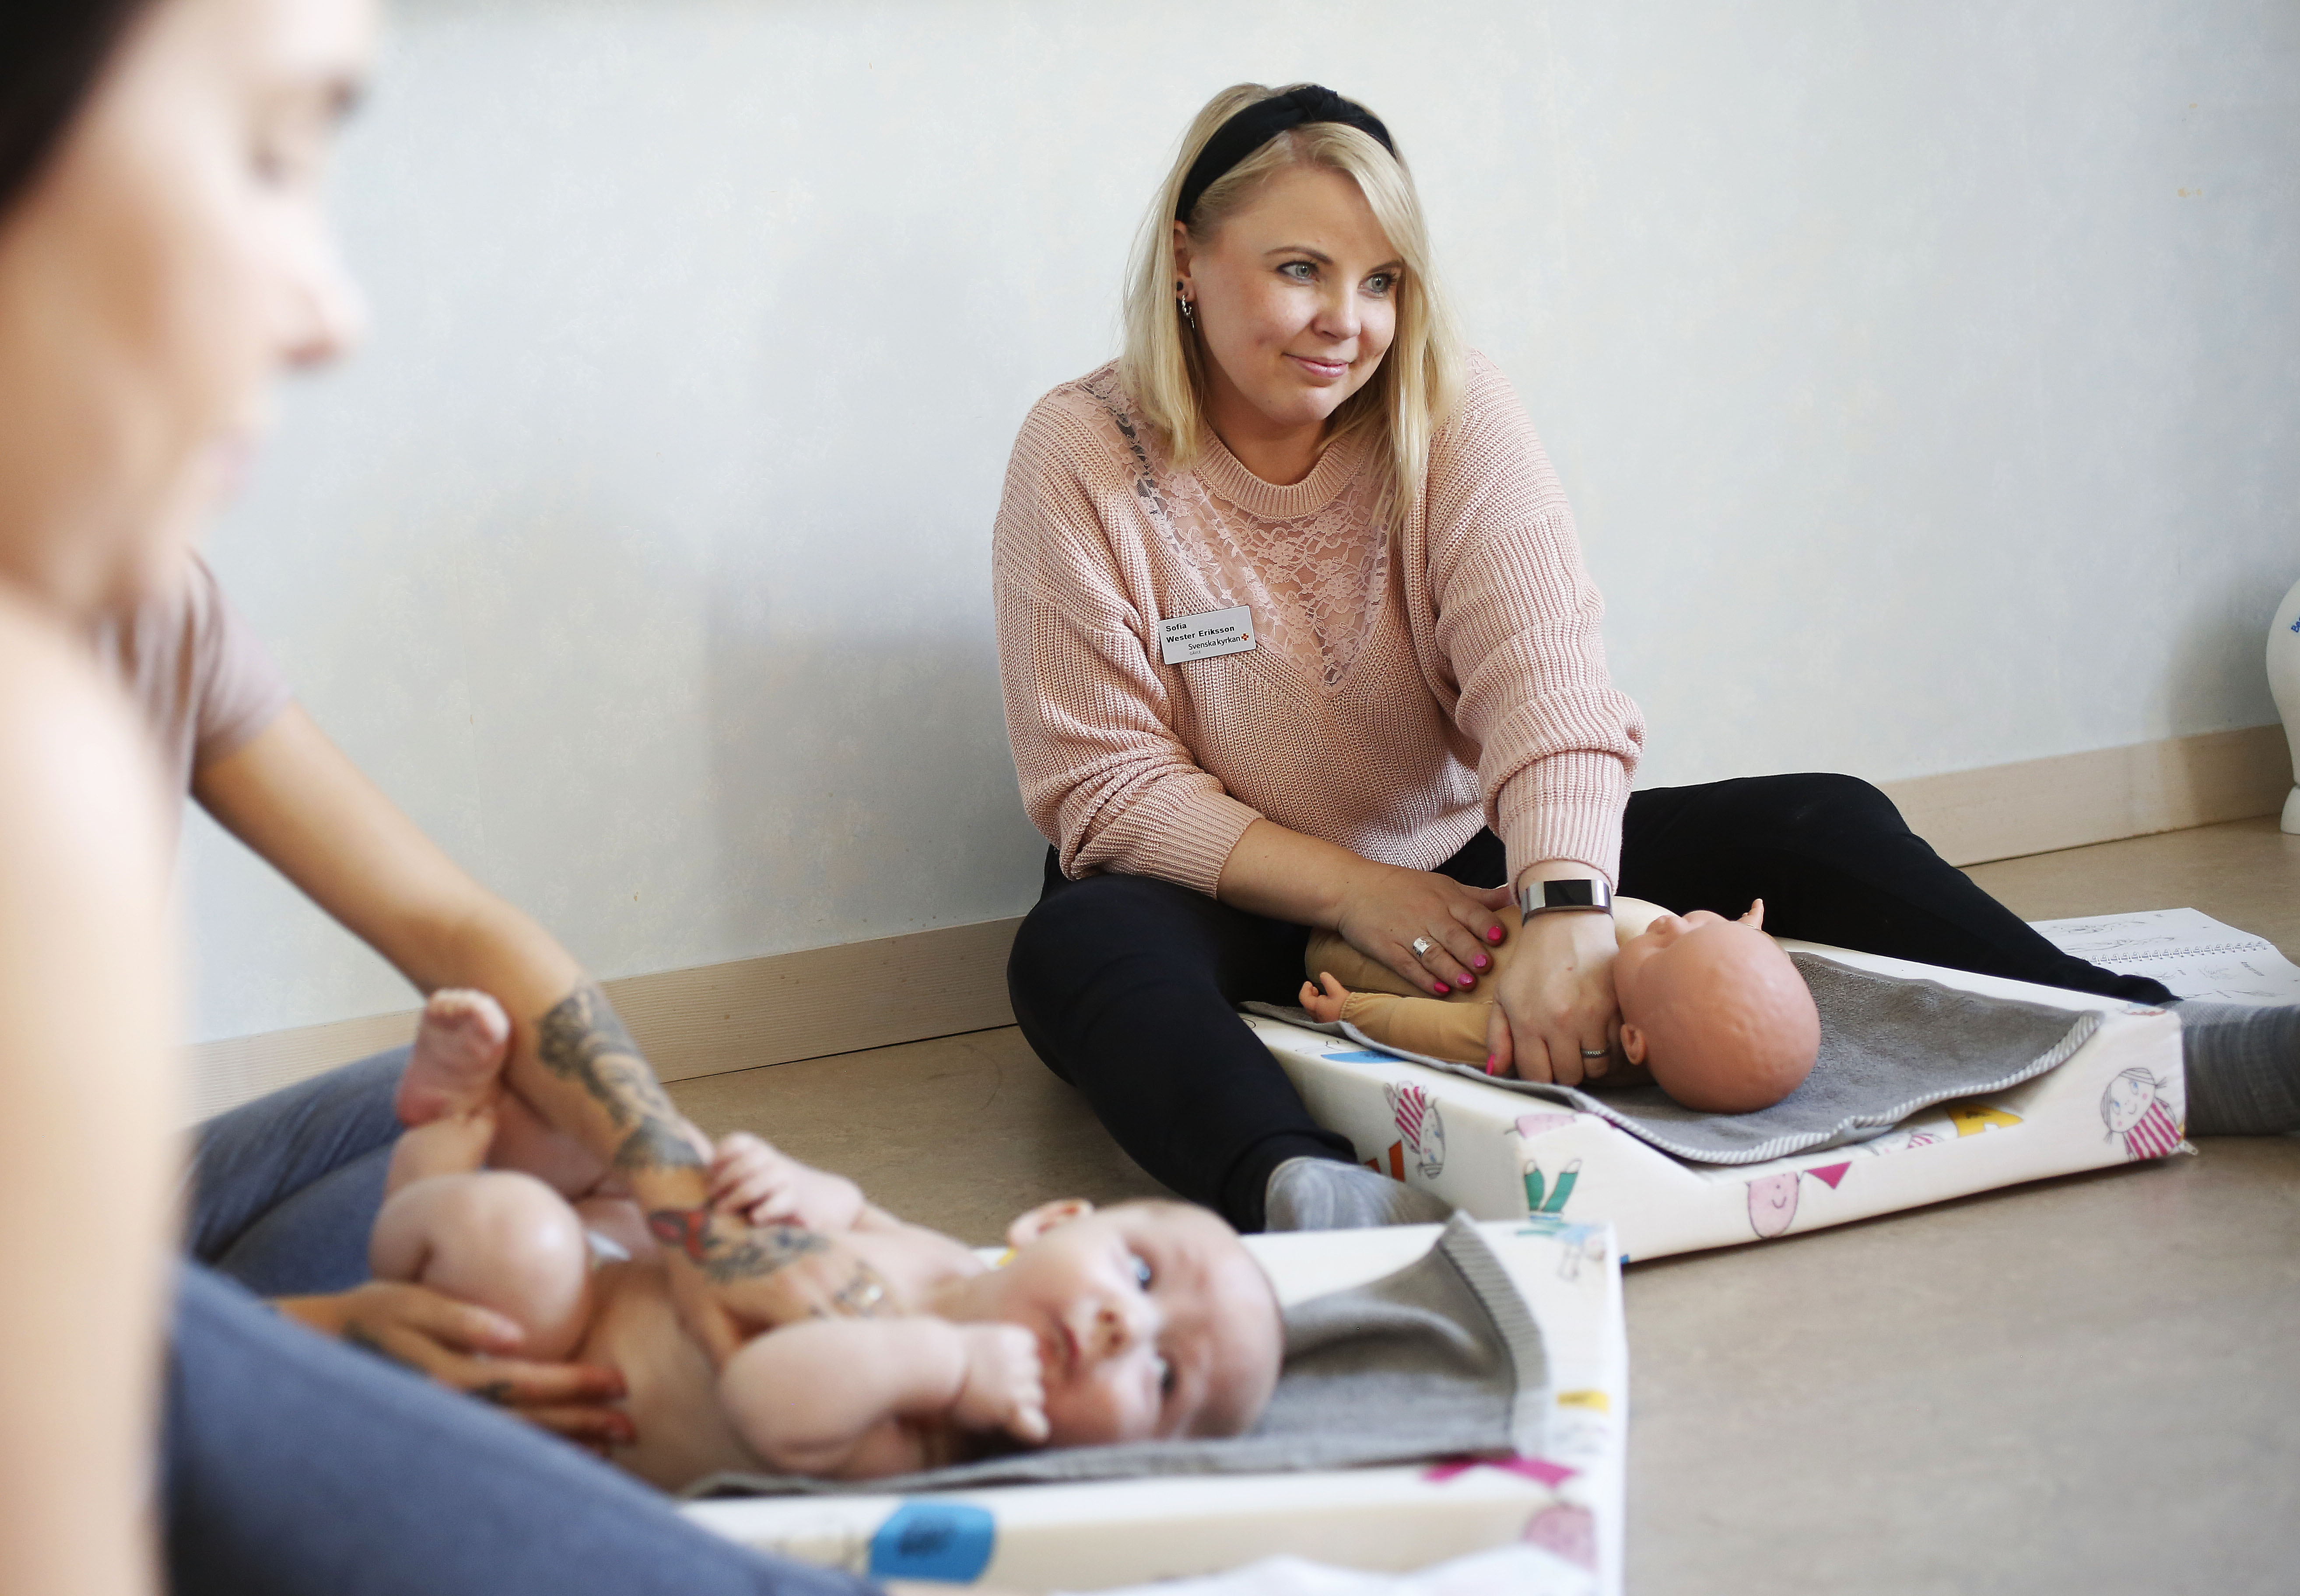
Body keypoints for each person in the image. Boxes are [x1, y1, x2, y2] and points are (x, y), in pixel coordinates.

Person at [993, 81, 2298, 1237]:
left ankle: (2155, 1036)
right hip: (1233, 896)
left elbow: (1545, 678)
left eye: (1383, 280)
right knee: (1073, 950)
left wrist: (1563, 910)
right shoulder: (1083, 454)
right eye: (1300, 270)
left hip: (1465, 875)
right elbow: (1106, 783)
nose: (1349, 321)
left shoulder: (1451, 409)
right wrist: (1349, 892)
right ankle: (1304, 1191)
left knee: (1823, 818)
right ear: (1185, 258)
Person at [0, 2, 870, 1591]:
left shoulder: (145, 607)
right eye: (262, 156)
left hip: (95, 1271)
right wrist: (318, 1334)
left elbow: (450, 919)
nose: (331, 310)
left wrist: (686, 1202)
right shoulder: (36, 749)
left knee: (543, 1086)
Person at [372, 1004, 1283, 1487]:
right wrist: (796, 1188)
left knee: (519, 1243)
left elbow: (765, 1393)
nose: (1131, 1326)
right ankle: (466, 1121)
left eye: (1165, 1379)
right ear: (1050, 1223)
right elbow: (850, 1220)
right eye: (1140, 1273)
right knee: (654, 1137)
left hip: (542, 1349)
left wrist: (949, 1364)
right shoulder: (945, 1265)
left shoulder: (928, 1437)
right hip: (635, 1250)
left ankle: (443, 1138)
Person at [1299, 900, 1821, 1113]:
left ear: (1633, 1041)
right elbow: (1727, 977)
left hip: (1390, 948)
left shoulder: (1556, 1033)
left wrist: (1354, 1012)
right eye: (1704, 926)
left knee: (1320, 948)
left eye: (1670, 946)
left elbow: (1441, 1032)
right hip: (1491, 898)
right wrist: (1740, 940)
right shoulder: (1676, 990)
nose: (1674, 923)